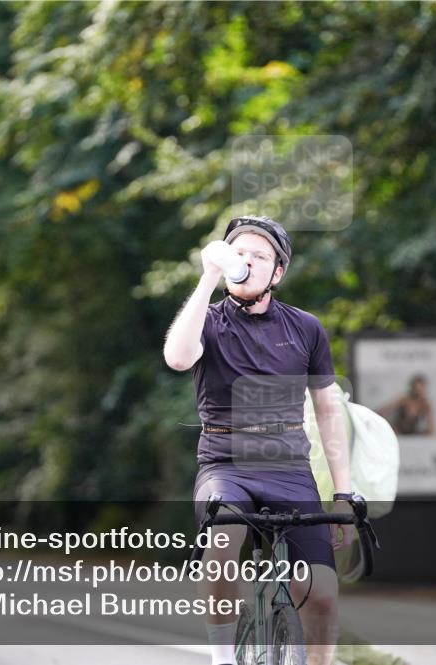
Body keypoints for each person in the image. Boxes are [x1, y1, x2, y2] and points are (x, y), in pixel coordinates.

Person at [163, 215, 355, 665]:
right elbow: (176, 357)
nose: (247, 261)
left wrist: (343, 494)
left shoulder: (305, 328)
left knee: (323, 594)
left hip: (289, 468)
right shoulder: (208, 321)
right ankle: (223, 657)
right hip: (225, 465)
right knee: (224, 536)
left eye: (260, 256)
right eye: (240, 252)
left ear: (278, 273)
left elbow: (328, 411)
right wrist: (209, 274)